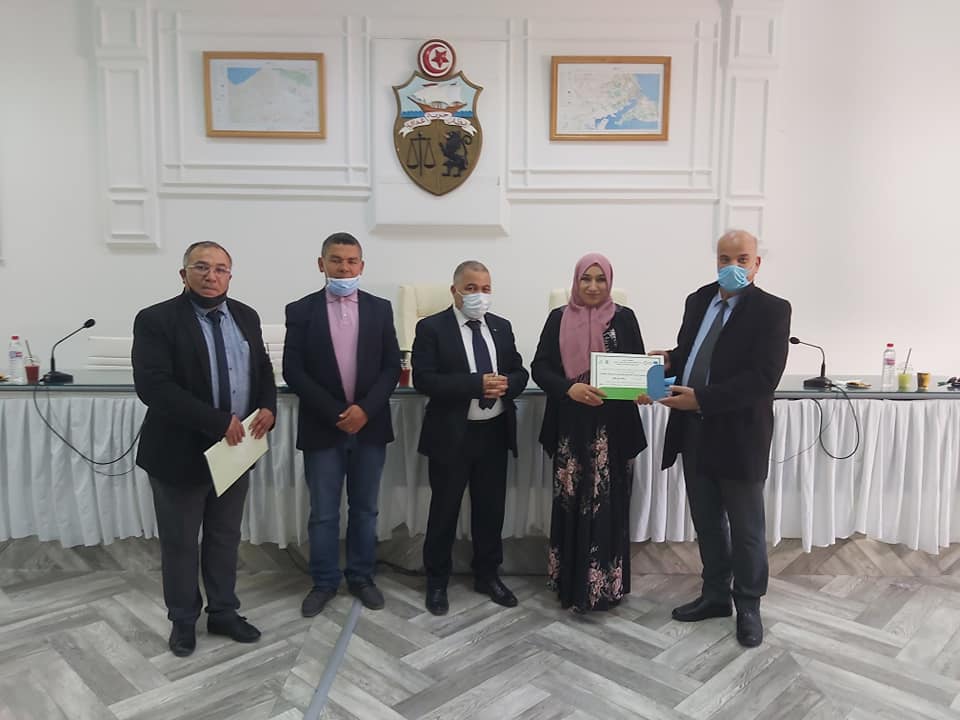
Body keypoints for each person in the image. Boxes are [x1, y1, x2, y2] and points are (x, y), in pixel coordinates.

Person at [132, 241, 277, 658]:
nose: (211, 276)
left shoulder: (246, 316)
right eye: (201, 267)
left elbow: (262, 368)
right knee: (180, 542)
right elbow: (154, 387)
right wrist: (216, 421)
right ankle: (183, 620)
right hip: (179, 453)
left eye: (220, 269)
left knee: (224, 536)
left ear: (230, 275)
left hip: (236, 451)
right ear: (184, 274)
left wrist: (268, 407)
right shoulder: (156, 319)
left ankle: (223, 612)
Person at [657, 229, 791, 647]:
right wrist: (665, 362)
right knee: (707, 521)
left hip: (739, 434)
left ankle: (748, 605)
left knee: (747, 527)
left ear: (756, 264)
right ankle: (715, 595)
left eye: (742, 259)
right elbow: (690, 353)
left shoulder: (772, 310)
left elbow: (762, 378)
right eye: (724, 259)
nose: (732, 267)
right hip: (693, 430)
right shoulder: (698, 300)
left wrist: (702, 399)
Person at [283, 232, 401, 617]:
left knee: (365, 509)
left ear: (362, 266)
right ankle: (324, 581)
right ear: (321, 264)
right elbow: (293, 371)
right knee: (324, 512)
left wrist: (364, 410)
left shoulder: (380, 309)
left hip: (370, 426)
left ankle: (362, 577)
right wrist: (338, 412)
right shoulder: (300, 310)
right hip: (323, 427)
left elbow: (391, 367)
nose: (344, 268)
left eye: (351, 261)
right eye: (336, 260)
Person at [531, 253, 649, 613]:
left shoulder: (624, 318)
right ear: (576, 281)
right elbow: (540, 367)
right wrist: (570, 388)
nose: (593, 286)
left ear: (609, 282)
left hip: (613, 430)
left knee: (609, 506)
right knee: (571, 502)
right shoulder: (558, 318)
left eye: (600, 279)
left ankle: (606, 588)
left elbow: (639, 368)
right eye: (586, 279)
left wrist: (644, 389)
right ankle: (570, 584)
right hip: (571, 427)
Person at [412, 261, 529, 615]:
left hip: (493, 432)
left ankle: (487, 574)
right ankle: (437, 580)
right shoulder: (432, 328)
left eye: (486, 288)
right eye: (472, 288)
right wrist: (475, 384)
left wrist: (508, 384)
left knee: (490, 510)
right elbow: (424, 379)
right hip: (452, 435)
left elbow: (519, 371)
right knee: (444, 510)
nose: (480, 295)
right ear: (455, 291)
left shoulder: (501, 327)